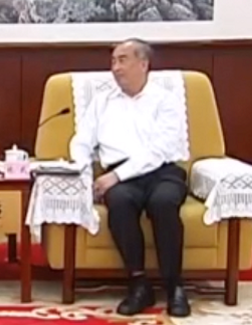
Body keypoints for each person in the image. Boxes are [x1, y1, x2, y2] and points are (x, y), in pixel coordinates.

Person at [69, 38, 190, 318]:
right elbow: (82, 141)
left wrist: (115, 175)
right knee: (120, 202)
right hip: (120, 178)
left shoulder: (165, 100)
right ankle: (138, 284)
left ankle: (174, 286)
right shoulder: (102, 101)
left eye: (122, 60)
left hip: (161, 172)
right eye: (113, 61)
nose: (115, 68)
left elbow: (158, 150)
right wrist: (82, 172)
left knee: (163, 203)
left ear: (143, 64)